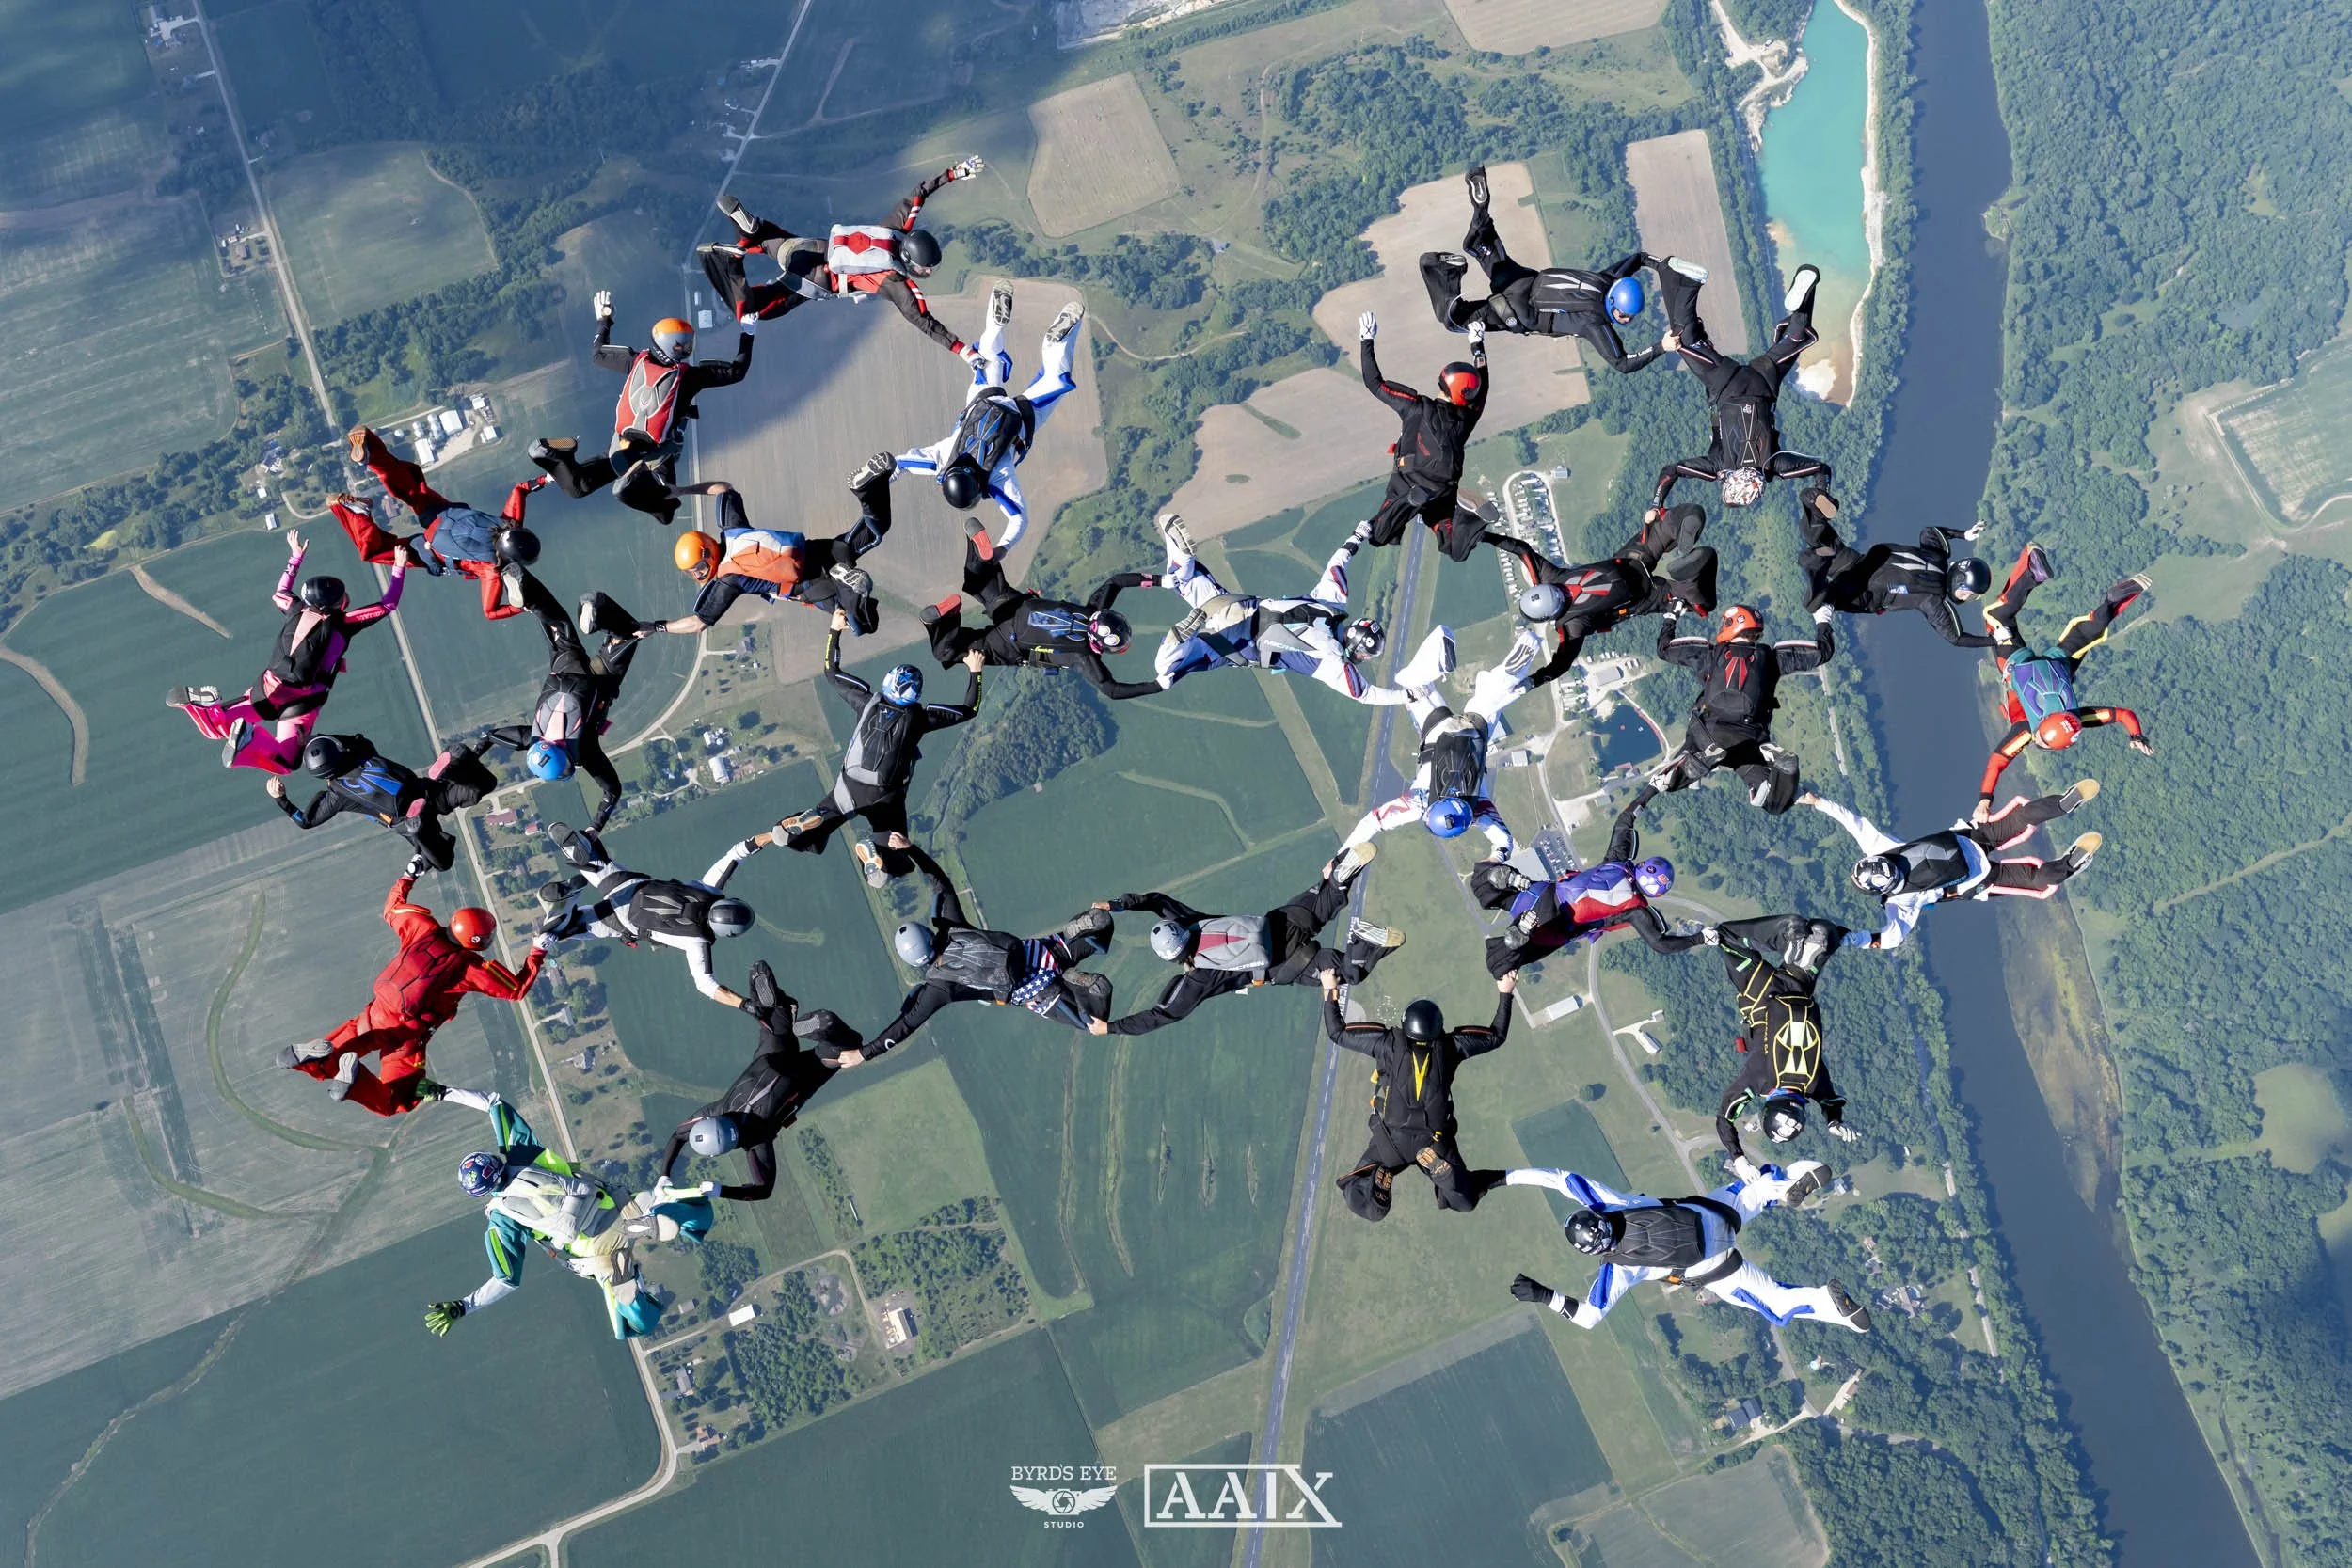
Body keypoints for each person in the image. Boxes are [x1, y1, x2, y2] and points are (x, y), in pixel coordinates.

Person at [425, 1090, 713, 1341]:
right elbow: (492, 1101)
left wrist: (465, 1305)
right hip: (618, 1208)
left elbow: (506, 1280)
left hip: (593, 1252)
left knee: (636, 1324)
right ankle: (661, 1215)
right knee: (699, 1210)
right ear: (492, 1159)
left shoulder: (501, 1220)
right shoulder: (523, 1153)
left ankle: (630, 1285)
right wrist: (443, 1092)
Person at [276, 863, 546, 1116]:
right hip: (406, 1036)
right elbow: (516, 989)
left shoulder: (423, 928)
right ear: (476, 940)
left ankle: (307, 1060)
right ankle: (356, 1079)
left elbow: (392, 907)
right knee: (396, 1101)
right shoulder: (468, 968)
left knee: (331, 1060)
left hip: (374, 1017)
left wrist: (410, 873)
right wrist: (539, 949)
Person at [1502, 1162, 1869, 1332]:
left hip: (1714, 1266)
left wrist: (1543, 1295)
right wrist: (1504, 1178)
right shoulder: (1613, 1203)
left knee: (1775, 1303)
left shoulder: (1618, 1269)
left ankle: (1830, 1305)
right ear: (1594, 1215)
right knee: (1756, 1191)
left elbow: (1589, 1317)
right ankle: (1792, 1179)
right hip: (1711, 1214)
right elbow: (1560, 1179)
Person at [1095, 841, 1402, 1036]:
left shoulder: (1200, 977)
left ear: (1173, 957)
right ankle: (1338, 878)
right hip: (1281, 920)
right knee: (1327, 899)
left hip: (1286, 965)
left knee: (1347, 972)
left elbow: (1159, 1015)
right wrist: (1120, 904)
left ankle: (1363, 943)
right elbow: (1157, 901)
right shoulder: (1189, 922)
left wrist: (1110, 1027)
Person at [1146, 511, 1454, 705]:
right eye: (1365, 653)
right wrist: (1407, 696)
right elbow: (1367, 694)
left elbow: (1337, 563)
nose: (1363, 659)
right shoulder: (1332, 661)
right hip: (1236, 641)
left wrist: (1358, 536)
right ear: (1357, 648)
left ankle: (1182, 561)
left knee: (1190, 584)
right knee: (1168, 671)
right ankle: (1174, 640)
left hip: (1243, 607)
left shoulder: (1331, 604)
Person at [698, 159, 988, 360]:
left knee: (767, 238)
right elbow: (926, 323)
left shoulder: (894, 230)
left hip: (808, 248)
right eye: (925, 268)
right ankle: (734, 265)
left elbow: (919, 193)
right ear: (911, 263)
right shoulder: (898, 283)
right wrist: (965, 351)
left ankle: (751, 230)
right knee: (752, 311)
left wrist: (955, 172)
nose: (926, 272)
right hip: (813, 281)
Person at [167, 529, 404, 774]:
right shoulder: (342, 624)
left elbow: (279, 592)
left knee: (217, 728)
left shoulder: (295, 608)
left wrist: (295, 557)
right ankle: (246, 743)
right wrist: (398, 567)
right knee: (287, 762)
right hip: (304, 699)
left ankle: (205, 708)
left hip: (271, 686)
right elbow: (389, 604)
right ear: (333, 604)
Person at [775, 610, 982, 885]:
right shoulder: (918, 718)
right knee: (897, 860)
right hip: (885, 797)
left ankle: (804, 826)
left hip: (847, 786)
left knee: (809, 840)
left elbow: (831, 670)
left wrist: (835, 629)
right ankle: (876, 855)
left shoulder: (866, 702)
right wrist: (975, 671)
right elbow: (970, 709)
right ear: (914, 695)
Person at [863, 843, 1116, 1055]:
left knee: (1093, 1024)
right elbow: (942, 884)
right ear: (927, 934)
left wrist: (866, 1052)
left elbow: (906, 1025)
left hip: (1042, 993)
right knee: (1103, 926)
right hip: (1044, 951)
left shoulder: (939, 987)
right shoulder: (952, 927)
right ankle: (1076, 934)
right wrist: (911, 849)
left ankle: (1083, 983)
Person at [528, 293, 755, 525]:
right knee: (665, 513)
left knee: (577, 487)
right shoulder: (689, 378)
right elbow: (737, 371)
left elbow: (598, 354)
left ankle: (554, 455)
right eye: (682, 345)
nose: (687, 348)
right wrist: (748, 334)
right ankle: (626, 490)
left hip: (621, 446)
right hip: (655, 454)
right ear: (673, 348)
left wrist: (603, 320)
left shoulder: (636, 361)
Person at [1421, 166, 1668, 373]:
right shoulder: (1595, 323)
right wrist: (1662, 347)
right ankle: (1446, 270)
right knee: (1453, 319)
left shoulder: (1606, 279)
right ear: (1614, 304)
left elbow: (1637, 258)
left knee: (1480, 245)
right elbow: (1622, 363)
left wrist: (1658, 265)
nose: (1627, 319)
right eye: (1625, 314)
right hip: (1518, 313)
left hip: (1523, 279)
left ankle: (1480, 209)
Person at [895, 287, 1086, 553]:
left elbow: (1018, 517)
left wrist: (1002, 549)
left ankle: (1056, 345)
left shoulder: (997, 477)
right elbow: (900, 463)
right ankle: (995, 326)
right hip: (981, 400)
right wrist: (882, 475)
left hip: (1022, 416)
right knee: (987, 358)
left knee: (1056, 377)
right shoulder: (940, 459)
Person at [1802, 784, 2103, 950]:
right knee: (2020, 819)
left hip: (1979, 880)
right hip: (1968, 836)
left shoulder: (1900, 901)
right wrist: (1817, 802)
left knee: (2037, 881)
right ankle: (2063, 803)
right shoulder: (1880, 848)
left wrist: (1849, 939)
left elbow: (1890, 938)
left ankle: (2071, 863)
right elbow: (1851, 821)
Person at [659, 962, 865, 1201]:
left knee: (850, 1045)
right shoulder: (715, 1111)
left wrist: (721, 1191)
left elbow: (763, 1190)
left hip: (804, 1075)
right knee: (772, 1012)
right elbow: (677, 1135)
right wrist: (664, 1174)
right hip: (772, 1054)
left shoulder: (756, 1142)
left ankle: (821, 1027)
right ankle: (775, 1005)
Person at [1976, 545, 2153, 817]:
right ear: (2041, 736)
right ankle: (2033, 574)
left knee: (2088, 633)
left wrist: (2136, 735)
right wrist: (1985, 799)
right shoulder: (2025, 731)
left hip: (2059, 664)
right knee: (1998, 619)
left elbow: (2123, 714)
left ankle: (2112, 602)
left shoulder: (2078, 718)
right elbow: (1997, 762)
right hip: (2018, 663)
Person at [635, 456, 897, 640]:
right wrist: (681, 490)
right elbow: (724, 489)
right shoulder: (733, 528)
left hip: (812, 584)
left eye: (699, 567)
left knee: (861, 624)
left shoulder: (728, 580)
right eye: (694, 571)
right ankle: (866, 491)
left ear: (707, 553)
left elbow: (698, 623)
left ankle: (848, 582)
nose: (700, 574)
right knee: (876, 530)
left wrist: (657, 627)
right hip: (817, 551)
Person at [1650, 260, 1836, 514]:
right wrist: (1656, 505)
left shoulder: (1774, 466)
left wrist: (1822, 492)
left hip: (1762, 382)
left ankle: (1807, 285)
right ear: (1729, 484)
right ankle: (1690, 282)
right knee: (1683, 339)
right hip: (1724, 384)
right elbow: (1671, 471)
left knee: (1796, 336)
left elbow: (1820, 469)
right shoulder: (1718, 467)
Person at [1341, 626, 1542, 858]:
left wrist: (1498, 857)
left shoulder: (1478, 809)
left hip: (1475, 732)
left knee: (1493, 695)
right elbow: (1372, 822)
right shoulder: (1419, 804)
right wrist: (1338, 860)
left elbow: (1504, 841)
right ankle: (1443, 644)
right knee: (1409, 681)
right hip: (1437, 733)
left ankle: (1513, 666)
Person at [1328, 974, 1518, 1221]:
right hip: (1430, 1141)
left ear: (1405, 1023)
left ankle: (1376, 1192)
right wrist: (1506, 991)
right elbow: (1497, 1036)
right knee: (1464, 1201)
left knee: (1359, 1193)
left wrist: (1329, 988)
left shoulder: (1387, 1043)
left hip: (1391, 1143)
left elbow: (1337, 1033)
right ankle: (1445, 1180)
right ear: (1439, 1027)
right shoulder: (1451, 1047)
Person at [534, 822, 770, 1011]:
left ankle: (578, 854)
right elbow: (706, 985)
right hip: (621, 920)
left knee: (595, 863)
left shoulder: (709, 890)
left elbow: (738, 852)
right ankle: (561, 926)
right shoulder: (697, 942)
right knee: (573, 928)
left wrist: (774, 835)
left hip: (628, 886)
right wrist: (745, 1005)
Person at [474, 570, 644, 832]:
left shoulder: (584, 753)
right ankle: (528, 593)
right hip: (566, 670)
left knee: (629, 632)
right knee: (558, 621)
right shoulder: (530, 739)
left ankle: (596, 609)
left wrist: (594, 829)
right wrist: (473, 754)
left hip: (599, 684)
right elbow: (490, 735)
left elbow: (612, 791)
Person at [1634, 601, 1835, 815]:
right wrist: (1824, 618)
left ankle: (1697, 765)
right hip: (1750, 740)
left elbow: (1664, 649)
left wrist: (1671, 617)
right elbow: (1823, 653)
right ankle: (1784, 770)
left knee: (1677, 774)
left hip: (1711, 734)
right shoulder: (1771, 659)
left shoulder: (1710, 654)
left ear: (1730, 625)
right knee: (1774, 804)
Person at [919, 519, 1158, 696]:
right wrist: (1157, 685)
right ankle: (939, 622)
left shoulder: (1092, 610)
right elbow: (1112, 690)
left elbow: (1116, 581)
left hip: (1018, 605)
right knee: (946, 652)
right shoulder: (1083, 656)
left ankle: (980, 555)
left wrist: (1161, 581)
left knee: (978, 582)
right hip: (1009, 644)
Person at [331, 426, 545, 619]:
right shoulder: (492, 569)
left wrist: (546, 479)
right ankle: (357, 513)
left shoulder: (509, 523)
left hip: (442, 515)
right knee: (377, 551)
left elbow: (521, 489)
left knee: (411, 484)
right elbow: (490, 612)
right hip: (433, 551)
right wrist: (518, 607)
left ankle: (371, 455)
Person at [1470, 801, 1704, 976]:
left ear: (1641, 866)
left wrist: (1653, 789)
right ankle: (1516, 936)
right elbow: (1661, 944)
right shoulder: (1637, 912)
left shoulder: (1617, 863)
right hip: (1556, 927)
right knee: (1501, 963)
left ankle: (1498, 863)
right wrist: (1702, 938)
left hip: (1541, 894)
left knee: (1481, 888)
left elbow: (1625, 820)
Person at [1502, 502, 1719, 688]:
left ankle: (1693, 574)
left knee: (1701, 603)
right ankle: (1680, 527)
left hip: (1645, 597)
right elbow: (1521, 549)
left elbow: (1560, 665)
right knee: (1671, 521)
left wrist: (1534, 681)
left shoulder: (1572, 626)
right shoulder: (1550, 576)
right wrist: (1485, 537)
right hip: (1632, 560)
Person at [1706, 914, 1858, 1166]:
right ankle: (1788, 936)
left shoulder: (1812, 1085)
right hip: (1759, 996)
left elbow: (1830, 1101)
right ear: (1766, 1112)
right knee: (1726, 937)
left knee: (1826, 934)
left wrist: (1834, 1121)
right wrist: (1739, 1158)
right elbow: (1725, 1118)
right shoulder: (1759, 1080)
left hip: (1799, 987)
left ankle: (1811, 947)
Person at [1358, 309, 1492, 562]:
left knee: (1378, 535)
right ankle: (1468, 518)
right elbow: (1482, 387)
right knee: (1451, 544)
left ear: (1442, 382)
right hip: (1444, 488)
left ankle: (1409, 502)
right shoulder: (1467, 418)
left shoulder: (1416, 407)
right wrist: (1477, 347)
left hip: (1409, 481)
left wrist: (1367, 340)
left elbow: (1374, 383)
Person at [265, 731, 500, 872]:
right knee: (482, 786)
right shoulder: (362, 751)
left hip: (406, 820)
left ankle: (418, 829)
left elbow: (306, 821)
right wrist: (314, 738)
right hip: (427, 791)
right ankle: (453, 769)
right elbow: (353, 739)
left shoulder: (338, 795)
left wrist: (281, 799)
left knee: (443, 862)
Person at [1798, 489, 1994, 647]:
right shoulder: (1932, 600)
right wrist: (1995, 640)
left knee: (1820, 539)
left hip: (1859, 562)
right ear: (1961, 586)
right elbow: (1957, 638)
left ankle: (1813, 508)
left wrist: (1964, 534)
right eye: (1971, 595)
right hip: (1863, 593)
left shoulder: (1938, 556)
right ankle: (1813, 567)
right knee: (1817, 603)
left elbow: (1930, 532)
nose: (1969, 599)